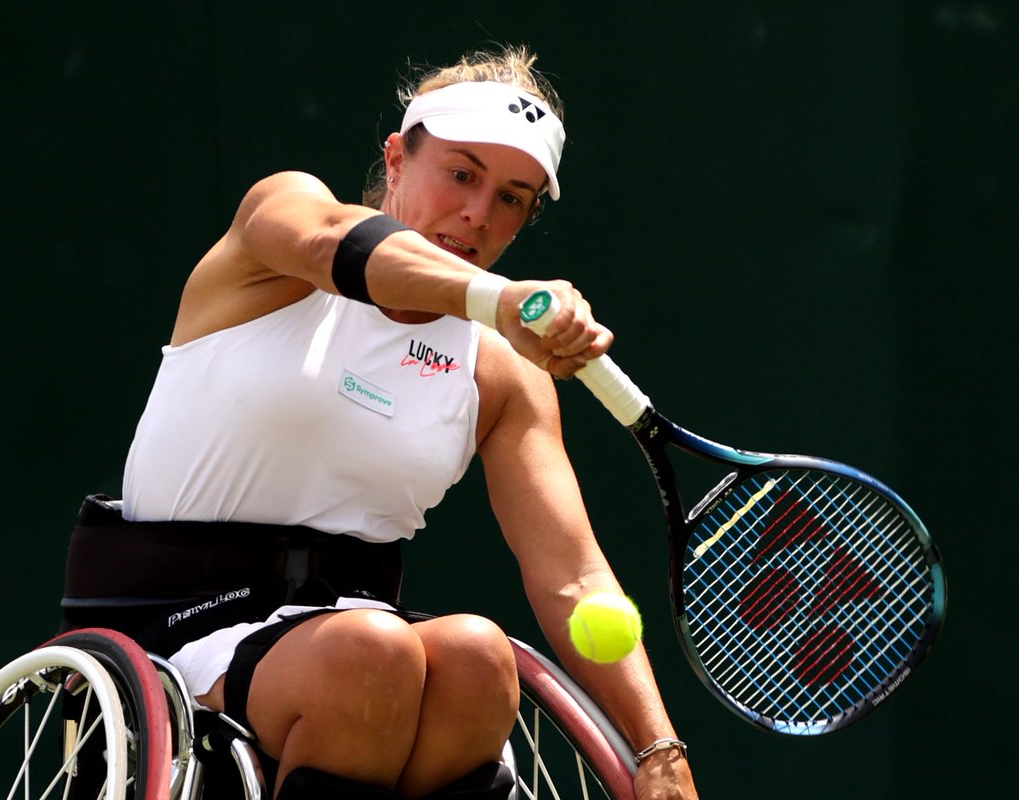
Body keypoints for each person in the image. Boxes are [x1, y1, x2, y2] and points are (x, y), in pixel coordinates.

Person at [61, 44, 699, 800]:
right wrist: (499, 300)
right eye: (461, 174)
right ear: (396, 158)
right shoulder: (284, 222)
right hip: (170, 632)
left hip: (357, 643)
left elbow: (573, 577)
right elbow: (341, 244)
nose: (476, 214)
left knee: (475, 657)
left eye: (511, 199)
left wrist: (660, 752)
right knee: (372, 653)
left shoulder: (502, 368)